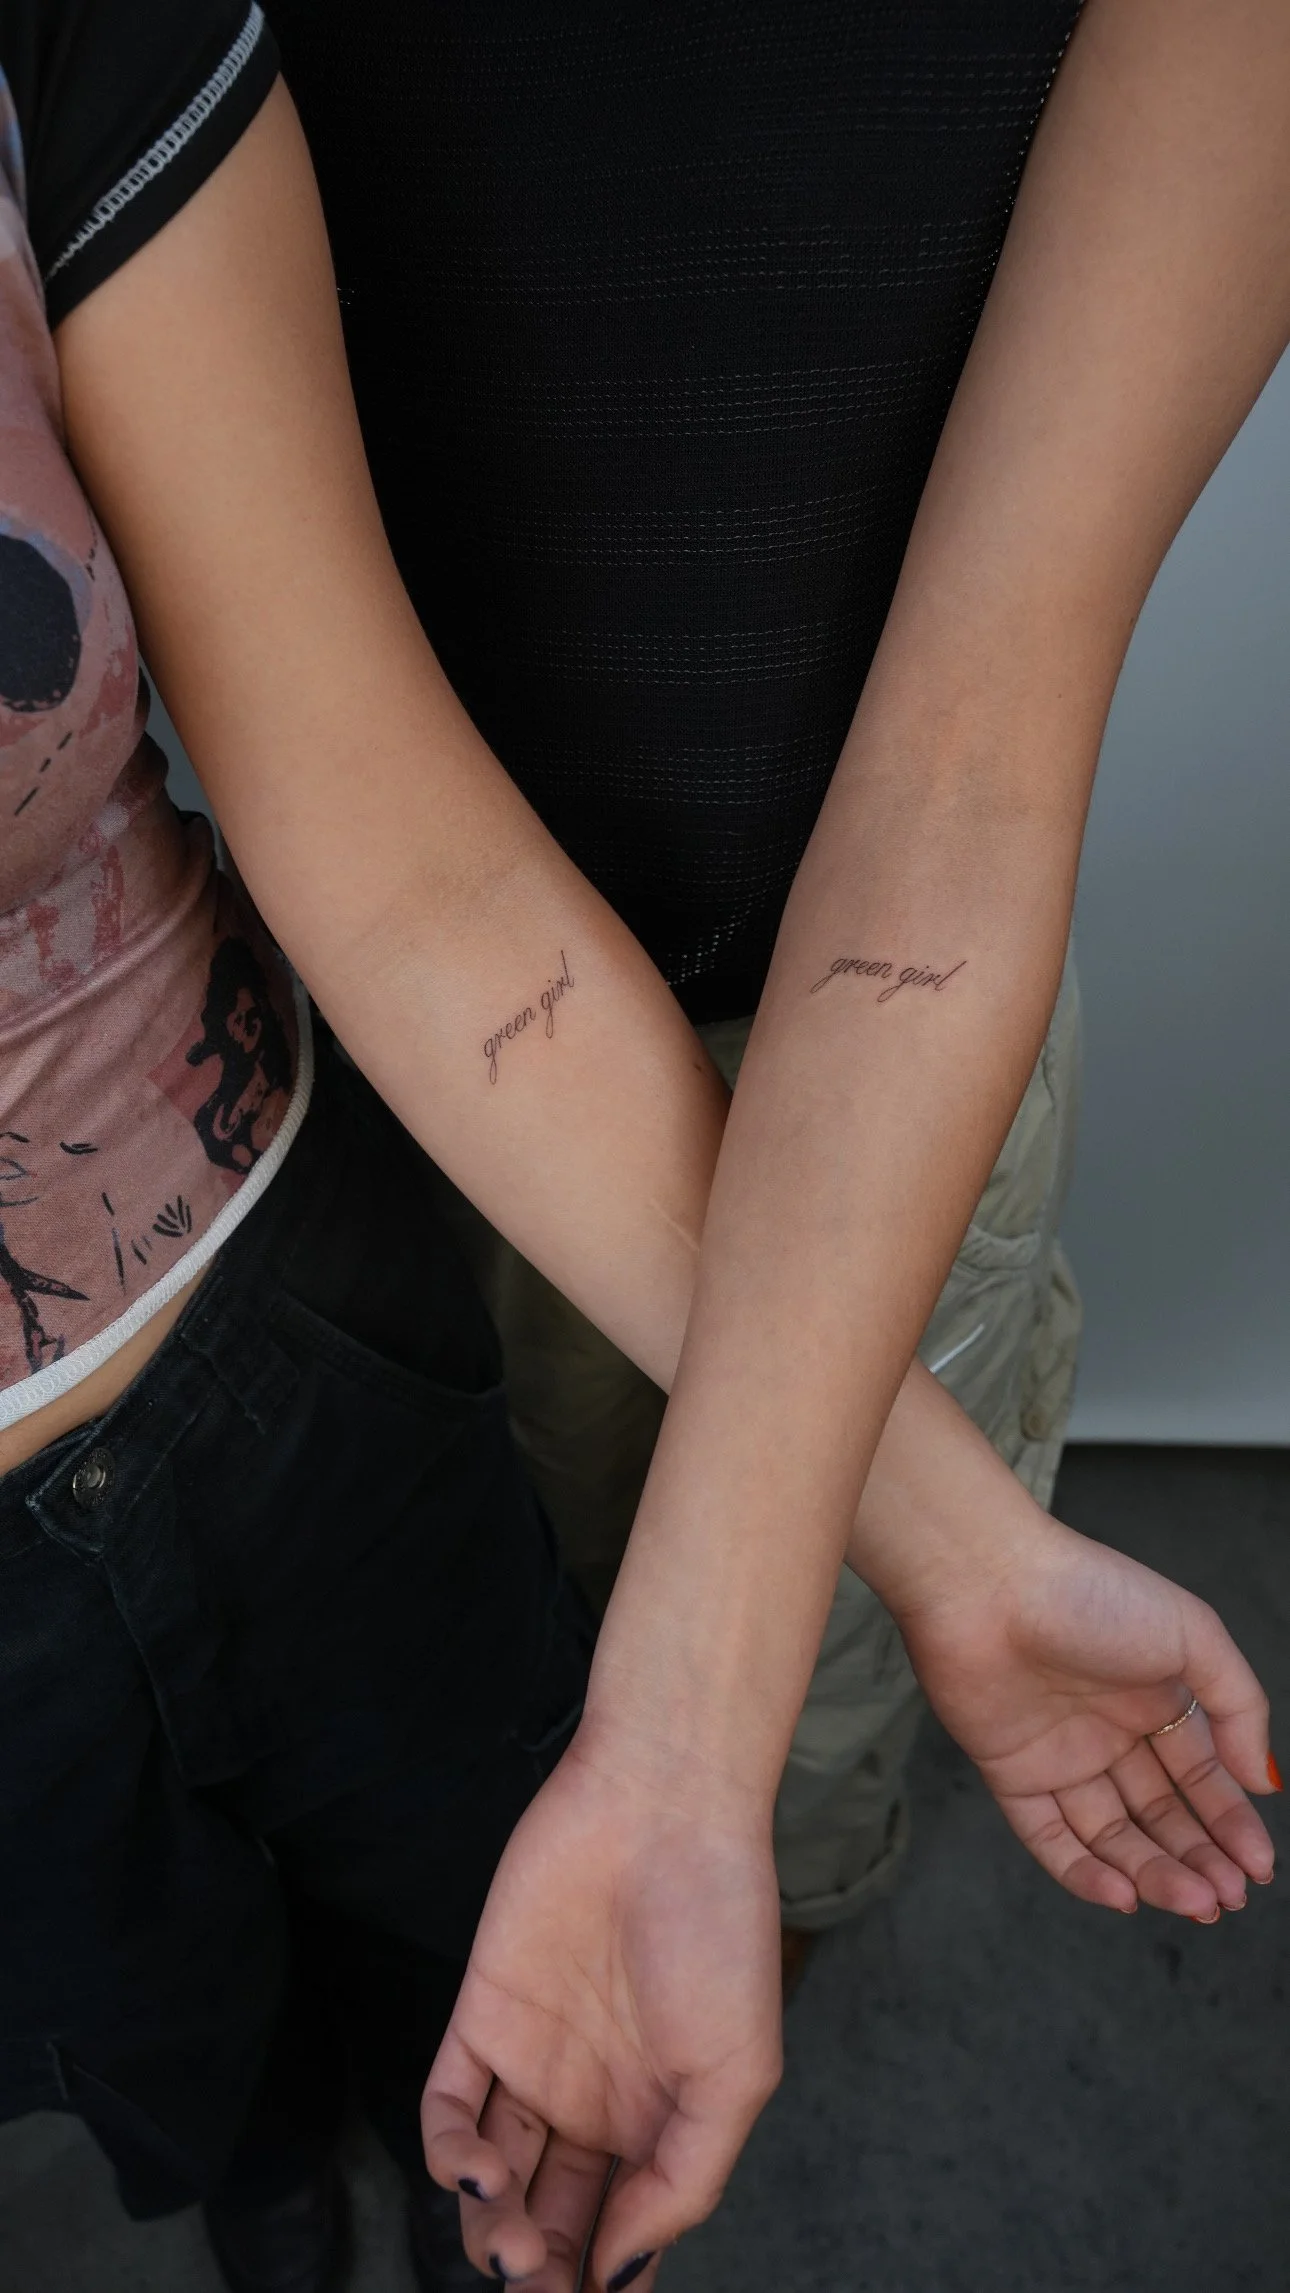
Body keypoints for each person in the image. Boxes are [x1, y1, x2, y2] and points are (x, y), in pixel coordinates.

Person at [2, 7, 1279, 2293]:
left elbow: (951, 775)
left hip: (750, 1107)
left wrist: (736, 1715)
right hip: (374, 1104)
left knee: (677, 1782)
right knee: (261, 1923)